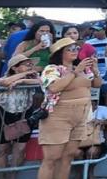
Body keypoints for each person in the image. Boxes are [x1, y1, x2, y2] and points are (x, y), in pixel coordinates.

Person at [38, 37, 102, 179]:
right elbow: (54, 87)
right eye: (70, 49)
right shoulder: (52, 69)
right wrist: (74, 72)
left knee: (68, 156)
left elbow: (97, 84)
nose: (75, 51)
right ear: (60, 53)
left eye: (76, 48)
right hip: (58, 116)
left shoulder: (82, 69)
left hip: (80, 115)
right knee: (52, 158)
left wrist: (95, 70)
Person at [0, 54, 40, 175]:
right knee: (2, 150)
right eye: (27, 64)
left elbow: (41, 82)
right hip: (4, 115)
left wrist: (23, 80)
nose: (30, 67)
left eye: (31, 64)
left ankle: (13, 176)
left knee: (20, 149)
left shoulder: (31, 78)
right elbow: (4, 82)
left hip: (24, 114)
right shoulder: (3, 78)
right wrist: (22, 75)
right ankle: (1, 177)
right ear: (14, 68)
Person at [77, 97, 107, 179]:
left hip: (97, 141)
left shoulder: (103, 109)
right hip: (80, 141)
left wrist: (101, 121)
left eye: (93, 103)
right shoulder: (79, 110)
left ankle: (90, 172)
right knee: (77, 152)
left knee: (92, 152)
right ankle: (82, 173)